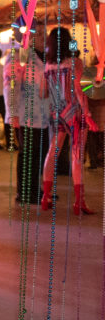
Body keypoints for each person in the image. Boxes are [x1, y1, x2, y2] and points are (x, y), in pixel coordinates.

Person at [40, 27, 97, 214]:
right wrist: (88, 116)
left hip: (56, 113)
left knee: (52, 153)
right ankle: (79, 202)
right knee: (77, 156)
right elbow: (79, 91)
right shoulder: (75, 63)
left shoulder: (47, 66)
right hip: (75, 113)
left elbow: (43, 92)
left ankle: (45, 197)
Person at [5, 44, 50, 205]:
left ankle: (34, 189)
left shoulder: (43, 54)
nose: (41, 36)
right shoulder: (20, 54)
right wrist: (13, 112)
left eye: (42, 32)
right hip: (26, 115)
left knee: (39, 153)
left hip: (43, 116)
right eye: (36, 32)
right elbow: (11, 86)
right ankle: (24, 192)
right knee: (28, 153)